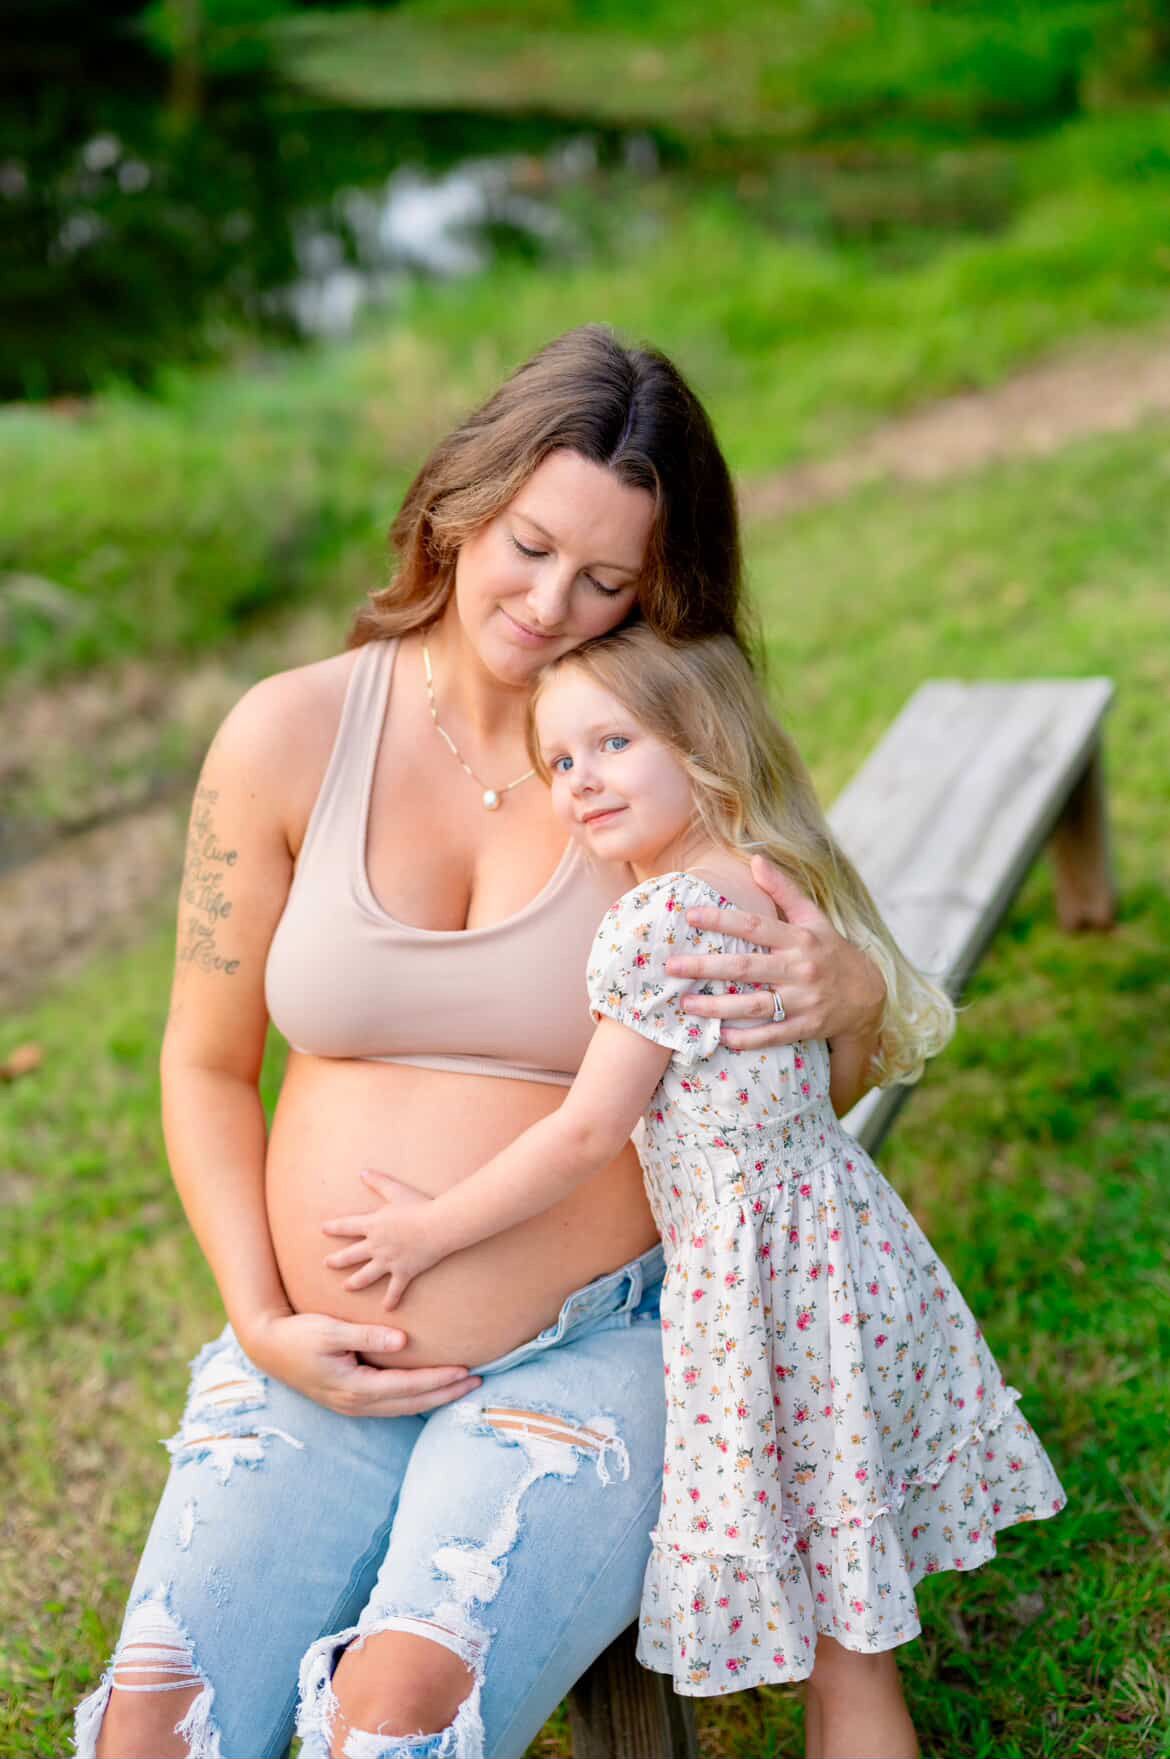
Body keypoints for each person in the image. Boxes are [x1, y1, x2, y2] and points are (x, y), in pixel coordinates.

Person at [75, 326, 889, 1759]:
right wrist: (262, 1318)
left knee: (394, 1723)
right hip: (316, 1349)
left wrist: (847, 998)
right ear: (460, 504)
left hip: (603, 1341)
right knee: (154, 1730)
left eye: (606, 580)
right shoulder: (284, 735)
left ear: (660, 589)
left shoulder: (661, 763)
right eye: (528, 546)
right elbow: (202, 1064)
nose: (548, 603)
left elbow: (804, 1086)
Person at [322, 624, 1068, 1759]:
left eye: (612, 743)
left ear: (701, 740)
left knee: (843, 1644)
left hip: (764, 1299)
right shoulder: (769, 879)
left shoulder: (657, 921)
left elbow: (584, 1133)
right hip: (849, 1257)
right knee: (851, 1634)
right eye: (559, 759)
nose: (580, 780)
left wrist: (429, 1229)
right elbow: (829, 1082)